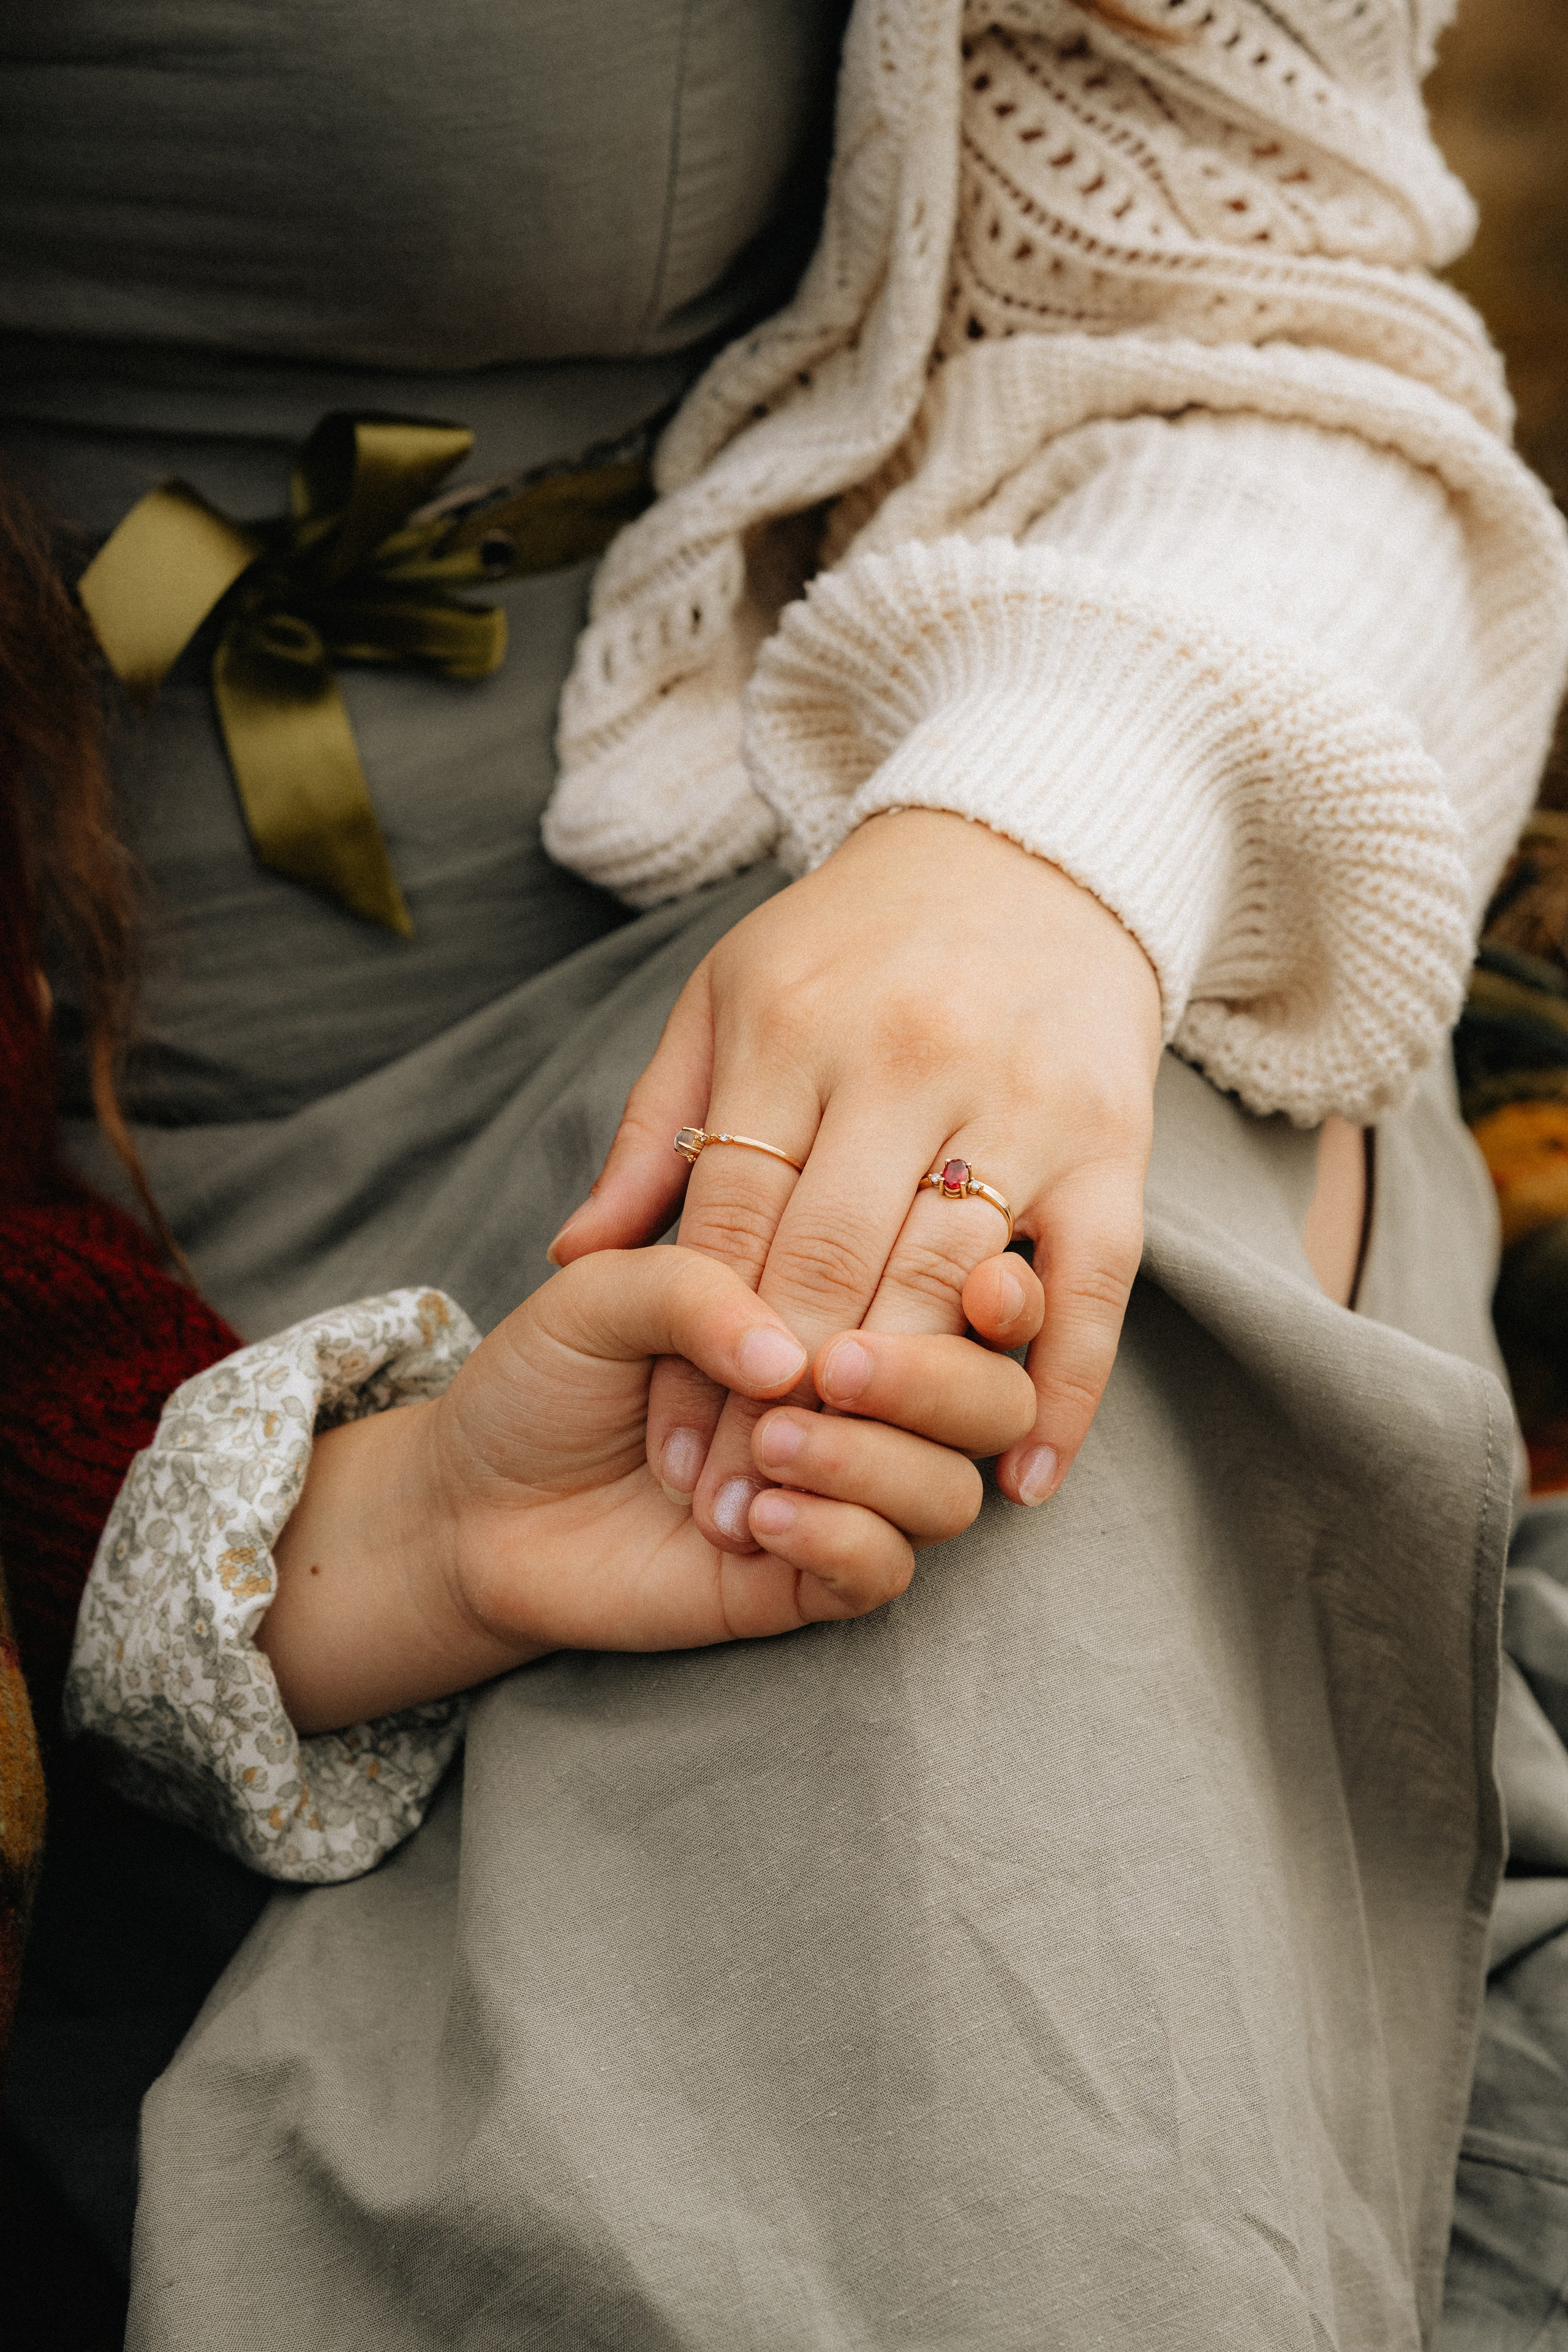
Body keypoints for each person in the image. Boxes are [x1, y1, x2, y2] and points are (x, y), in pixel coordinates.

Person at [4, 0, 1568, 2343]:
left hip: (853, 890)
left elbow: (1266, 325)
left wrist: (1050, 833)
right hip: (94, 1223)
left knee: (941, 1465)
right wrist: (304, 1535)